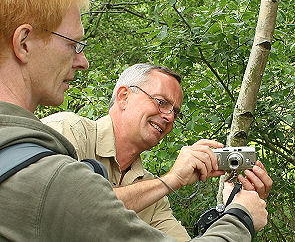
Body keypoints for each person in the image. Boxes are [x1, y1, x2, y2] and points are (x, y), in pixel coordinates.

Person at [0, 0, 268, 241]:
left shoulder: (150, 188)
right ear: (24, 42)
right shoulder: (64, 137)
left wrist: (229, 205)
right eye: (73, 44)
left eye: (175, 112)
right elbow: (81, 205)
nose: (83, 61)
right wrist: (241, 217)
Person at [42, 64, 272, 241]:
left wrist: (233, 207)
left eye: (176, 112)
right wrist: (171, 180)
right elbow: (68, 209)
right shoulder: (68, 132)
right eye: (161, 102)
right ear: (123, 97)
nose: (169, 117)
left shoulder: (153, 192)